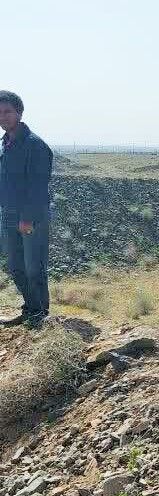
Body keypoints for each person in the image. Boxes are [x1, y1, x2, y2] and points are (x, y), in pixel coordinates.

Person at [0, 90, 53, 328]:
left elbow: (38, 185)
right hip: (9, 215)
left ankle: (40, 315)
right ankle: (30, 309)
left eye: (7, 112)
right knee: (15, 267)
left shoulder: (35, 145)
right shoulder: (5, 145)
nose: (3, 117)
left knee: (34, 268)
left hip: (31, 217)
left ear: (19, 113)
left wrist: (27, 218)